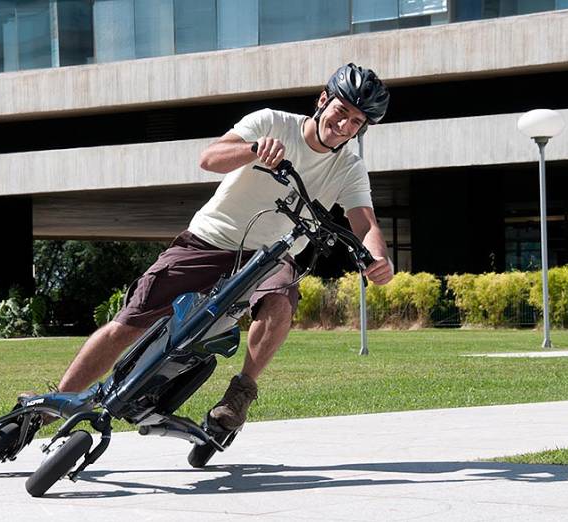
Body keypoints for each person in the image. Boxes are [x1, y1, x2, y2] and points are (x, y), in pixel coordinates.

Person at [33, 63, 394, 433]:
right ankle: (53, 404)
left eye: (357, 122)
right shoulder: (273, 122)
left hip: (270, 256)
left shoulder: (349, 166)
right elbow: (210, 158)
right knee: (129, 324)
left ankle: (240, 394)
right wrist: (254, 149)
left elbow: (364, 222)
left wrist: (378, 257)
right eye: (342, 112)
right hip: (211, 239)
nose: (345, 126)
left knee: (281, 301)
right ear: (323, 100)